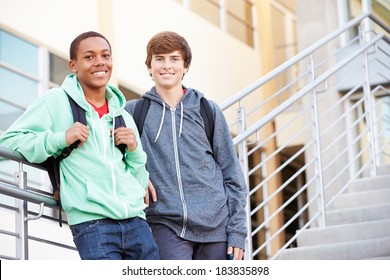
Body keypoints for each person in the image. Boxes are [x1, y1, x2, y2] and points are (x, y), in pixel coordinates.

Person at [0, 31, 159, 260]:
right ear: (73, 65)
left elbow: (139, 180)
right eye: (89, 57)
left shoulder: (123, 115)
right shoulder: (55, 101)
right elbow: (9, 141)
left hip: (137, 224)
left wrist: (134, 151)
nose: (100, 62)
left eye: (105, 55)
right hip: (93, 225)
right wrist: (61, 138)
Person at [125, 31, 248, 260]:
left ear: (185, 66)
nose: (166, 66)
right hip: (165, 224)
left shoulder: (208, 110)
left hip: (216, 228)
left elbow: (232, 175)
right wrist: (138, 174)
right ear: (149, 67)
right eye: (159, 59)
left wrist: (238, 231)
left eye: (174, 59)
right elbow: (114, 155)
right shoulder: (135, 112)